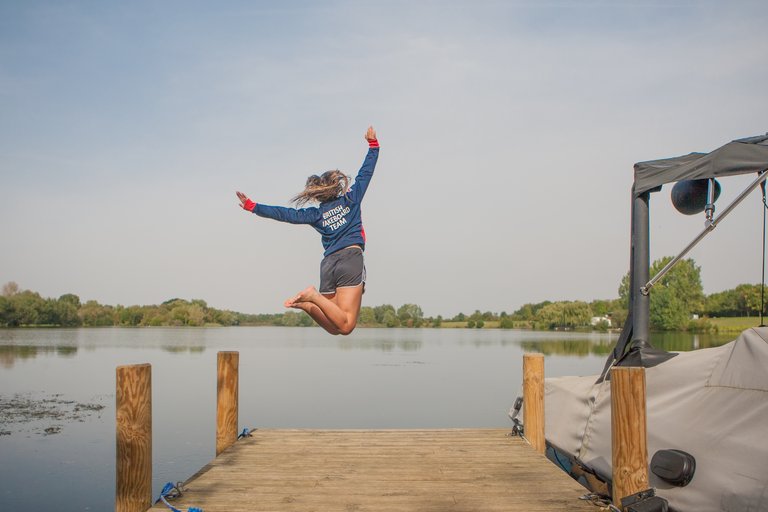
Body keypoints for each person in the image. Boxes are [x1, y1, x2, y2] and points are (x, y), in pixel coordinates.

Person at [236, 126, 380, 335]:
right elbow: (365, 173)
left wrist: (253, 207)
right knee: (347, 325)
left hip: (329, 264)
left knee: (334, 327)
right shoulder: (351, 199)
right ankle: (313, 296)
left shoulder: (315, 214)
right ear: (336, 187)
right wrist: (373, 146)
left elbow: (285, 214)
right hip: (350, 258)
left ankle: (306, 304)